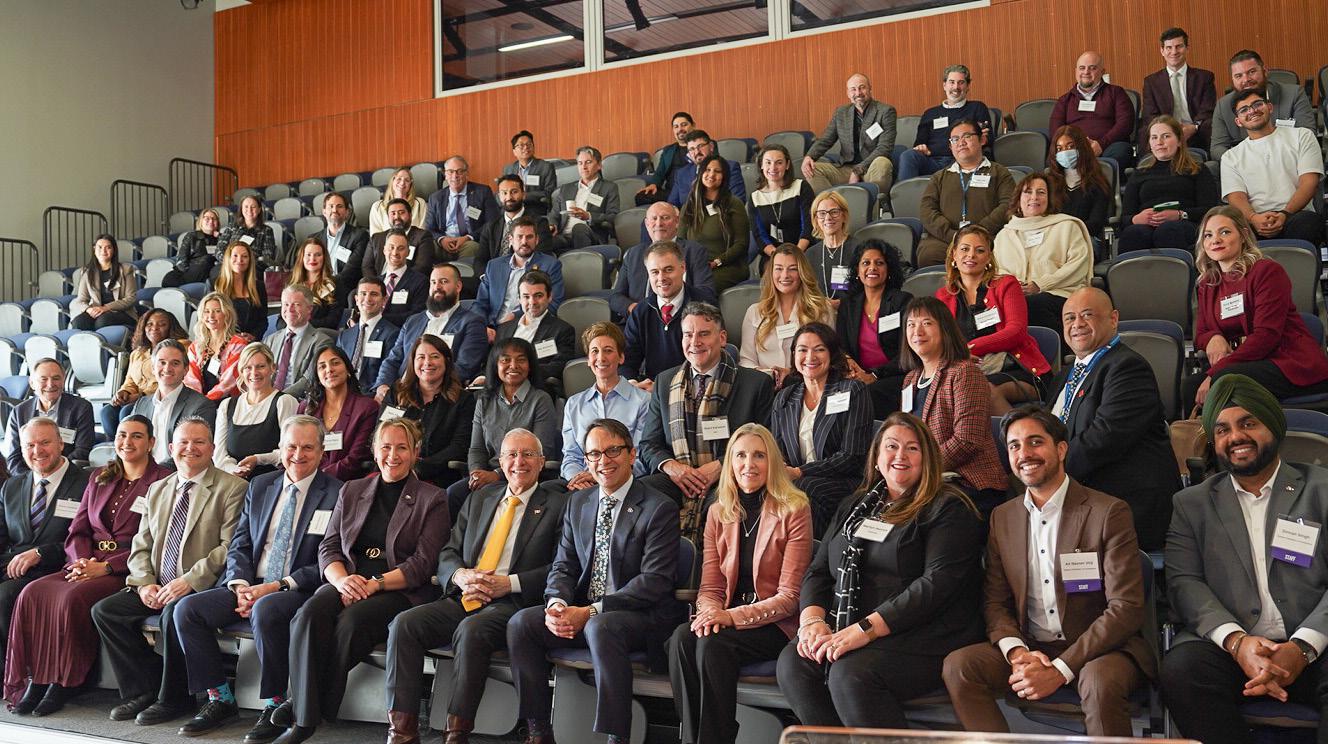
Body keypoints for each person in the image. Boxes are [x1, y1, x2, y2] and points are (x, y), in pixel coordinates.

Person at [943, 404, 1155, 737]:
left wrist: (1059, 669)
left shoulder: (1107, 512)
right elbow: (996, 602)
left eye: (1035, 442)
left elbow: (1125, 608)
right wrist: (1017, 653)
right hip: (1032, 647)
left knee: (1098, 682)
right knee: (960, 667)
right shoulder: (1003, 517)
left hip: (1101, 649)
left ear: (1061, 449)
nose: (1024, 454)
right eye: (1014, 446)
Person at [777, 412, 984, 728]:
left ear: (927, 459)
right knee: (795, 663)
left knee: (850, 674)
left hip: (922, 633)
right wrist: (812, 622)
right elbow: (819, 571)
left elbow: (935, 585)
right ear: (876, 457)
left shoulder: (949, 507)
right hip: (853, 626)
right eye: (891, 446)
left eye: (912, 448)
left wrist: (864, 630)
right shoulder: (855, 505)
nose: (901, 456)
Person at [1162, 374, 1328, 744]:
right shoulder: (1191, 504)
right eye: (1222, 429)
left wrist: (1302, 647)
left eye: (1248, 423)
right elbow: (1184, 583)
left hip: (1317, 644)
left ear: (1273, 426)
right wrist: (1237, 643)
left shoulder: (1322, 489)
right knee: (1182, 671)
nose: (1236, 436)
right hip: (1230, 648)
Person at [383, 428, 569, 744]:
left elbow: (561, 566)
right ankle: (402, 733)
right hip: (465, 595)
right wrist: (460, 575)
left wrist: (508, 584)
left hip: (513, 602)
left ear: (541, 462)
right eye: (511, 455)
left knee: (472, 631)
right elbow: (448, 551)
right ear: (500, 461)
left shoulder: (560, 505)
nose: (519, 462)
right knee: (404, 625)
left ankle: (456, 734)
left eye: (528, 455)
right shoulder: (480, 498)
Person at [508, 418, 681, 744]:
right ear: (586, 460)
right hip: (583, 613)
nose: (603, 461)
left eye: (612, 451)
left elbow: (654, 582)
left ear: (632, 454)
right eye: (594, 454)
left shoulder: (659, 507)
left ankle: (617, 737)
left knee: (601, 626)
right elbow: (564, 565)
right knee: (522, 624)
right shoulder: (578, 502)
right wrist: (557, 604)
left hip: (640, 617)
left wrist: (590, 611)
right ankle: (537, 731)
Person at [276, 418, 448, 744]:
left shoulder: (433, 498)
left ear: (415, 452)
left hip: (397, 588)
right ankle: (305, 706)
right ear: (374, 450)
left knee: (351, 622)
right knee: (308, 614)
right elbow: (329, 547)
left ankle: (303, 716)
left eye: (401, 448)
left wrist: (373, 584)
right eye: (386, 447)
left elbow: (422, 565)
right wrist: (342, 581)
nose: (392, 456)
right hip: (348, 579)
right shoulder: (352, 490)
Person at [170, 416, 342, 739]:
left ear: (322, 452)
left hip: (296, 587)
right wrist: (240, 585)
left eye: (308, 447)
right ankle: (220, 698)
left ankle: (275, 704)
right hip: (250, 583)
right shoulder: (261, 486)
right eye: (291, 446)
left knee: (267, 609)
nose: (298, 455)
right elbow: (241, 543)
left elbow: (328, 558)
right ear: (280, 448)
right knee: (187, 611)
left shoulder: (337, 493)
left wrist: (276, 586)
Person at [3, 416, 165, 716]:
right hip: (86, 561)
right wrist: (80, 560)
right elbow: (78, 529)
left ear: (151, 442)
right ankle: (37, 679)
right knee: (32, 593)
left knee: (70, 598)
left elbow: (157, 540)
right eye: (122, 435)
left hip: (128, 567)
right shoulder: (100, 476)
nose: (127, 442)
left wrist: (106, 567)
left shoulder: (163, 480)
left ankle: (64, 681)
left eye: (137, 436)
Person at [90, 416, 246, 725]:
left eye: (199, 442)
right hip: (158, 583)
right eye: (183, 442)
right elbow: (141, 544)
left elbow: (229, 548)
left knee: (174, 613)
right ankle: (145, 688)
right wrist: (144, 583)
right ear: (171, 448)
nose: (191, 448)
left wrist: (188, 581)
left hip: (201, 586)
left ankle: (174, 699)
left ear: (212, 448)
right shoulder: (157, 489)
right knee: (106, 612)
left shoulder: (233, 488)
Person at [667, 423, 813, 744]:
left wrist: (728, 617)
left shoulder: (795, 508)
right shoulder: (718, 512)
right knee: (681, 638)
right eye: (741, 455)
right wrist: (711, 612)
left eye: (759, 455)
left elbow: (789, 597)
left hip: (776, 624)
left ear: (772, 462)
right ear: (730, 463)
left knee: (712, 644)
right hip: (728, 618)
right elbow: (710, 587)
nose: (749, 464)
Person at [1045, 288, 1178, 551]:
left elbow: (1104, 438)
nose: (1077, 324)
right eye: (1070, 318)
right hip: (1078, 500)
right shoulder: (1064, 376)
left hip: (1124, 507)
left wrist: (1047, 473)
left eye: (1087, 315)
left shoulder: (1127, 367)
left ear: (1113, 319)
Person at [638, 303, 774, 543]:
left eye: (703, 334)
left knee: (724, 506)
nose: (695, 342)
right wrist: (673, 468)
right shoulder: (664, 381)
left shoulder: (756, 384)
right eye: (688, 335)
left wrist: (720, 467)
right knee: (639, 495)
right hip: (677, 479)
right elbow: (649, 444)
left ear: (722, 338)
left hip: (730, 477)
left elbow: (767, 444)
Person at [1186, 206, 1328, 409]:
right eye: (1208, 235)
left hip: (1286, 362)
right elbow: (1201, 333)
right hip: (1243, 364)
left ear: (1243, 235)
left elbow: (1266, 336)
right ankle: (1204, 432)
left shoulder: (1266, 272)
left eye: (1224, 232)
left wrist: (1216, 371)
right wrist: (1213, 337)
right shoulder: (1208, 283)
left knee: (1223, 381)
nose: (1215, 240)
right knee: (1190, 387)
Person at [0, 418, 92, 680]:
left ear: (61, 444)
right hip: (14, 566)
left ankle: (13, 675)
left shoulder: (87, 483)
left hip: (58, 567)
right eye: (29, 445)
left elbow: (89, 538)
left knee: (4, 596)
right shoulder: (12, 486)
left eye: (44, 443)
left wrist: (41, 553)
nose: (37, 451)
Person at [899, 297, 1007, 512]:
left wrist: (922, 468)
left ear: (945, 329)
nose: (917, 331)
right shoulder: (910, 379)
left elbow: (967, 441)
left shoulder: (964, 372)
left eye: (927, 323)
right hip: (926, 482)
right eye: (911, 324)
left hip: (968, 484)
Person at [936, 225, 1051, 414]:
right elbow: (941, 341)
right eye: (965, 249)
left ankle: (1014, 433)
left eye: (980, 250)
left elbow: (1016, 332)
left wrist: (968, 349)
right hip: (966, 370)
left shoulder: (1006, 285)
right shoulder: (944, 296)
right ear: (954, 255)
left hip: (1017, 369)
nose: (971, 255)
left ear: (989, 257)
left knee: (979, 389)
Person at [770, 323, 873, 532]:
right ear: (794, 355)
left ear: (831, 354)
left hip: (843, 481)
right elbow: (777, 451)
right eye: (802, 350)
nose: (810, 357)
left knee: (802, 489)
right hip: (797, 482)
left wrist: (800, 472)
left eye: (819, 349)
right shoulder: (785, 397)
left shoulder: (853, 390)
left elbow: (852, 456)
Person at [451, 338, 560, 518]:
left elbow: (542, 452)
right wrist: (476, 474)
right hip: (487, 476)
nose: (513, 365)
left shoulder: (541, 400)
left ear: (530, 366)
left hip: (522, 475)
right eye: (505, 360)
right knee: (453, 495)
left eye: (521, 360)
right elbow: (477, 448)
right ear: (496, 365)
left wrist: (496, 475)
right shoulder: (484, 400)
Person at [1220, 87, 1326, 245]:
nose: (1252, 111)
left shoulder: (1302, 136)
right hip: (1254, 221)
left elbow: (1309, 183)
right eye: (1244, 110)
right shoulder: (1230, 157)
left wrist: (1285, 214)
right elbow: (1236, 197)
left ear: (1269, 107)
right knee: (1233, 234)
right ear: (1238, 121)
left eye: (1257, 104)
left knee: (1309, 223)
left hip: (1296, 215)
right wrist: (1254, 218)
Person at [992, 171, 1094, 333]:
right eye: (1028, 192)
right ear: (1018, 199)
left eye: (1041, 192)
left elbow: (1077, 266)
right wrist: (1014, 286)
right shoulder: (1004, 235)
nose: (1034, 197)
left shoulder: (1067, 226)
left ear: (1049, 199)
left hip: (1061, 294)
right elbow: (997, 271)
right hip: (1014, 297)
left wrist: (1040, 285)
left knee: (1032, 305)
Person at [380, 334, 477, 489]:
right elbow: (380, 434)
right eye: (421, 357)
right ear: (413, 362)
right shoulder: (396, 392)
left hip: (437, 476)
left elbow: (459, 446)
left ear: (447, 361)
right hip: (391, 469)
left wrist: (419, 468)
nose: (427, 362)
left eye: (434, 356)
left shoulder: (463, 400)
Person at [561, 322, 651, 489]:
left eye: (608, 351)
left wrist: (600, 477)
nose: (601, 358)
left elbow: (641, 458)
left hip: (628, 486)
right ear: (588, 360)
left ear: (621, 357)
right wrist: (578, 479)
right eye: (595, 351)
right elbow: (571, 457)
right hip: (583, 488)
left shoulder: (643, 401)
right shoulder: (573, 405)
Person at [374, 262, 489, 392]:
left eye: (443, 282)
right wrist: (383, 385)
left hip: (440, 392)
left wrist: (424, 385)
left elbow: (465, 367)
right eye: (433, 282)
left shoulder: (472, 322)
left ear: (458, 286)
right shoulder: (413, 321)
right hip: (401, 390)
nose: (437, 287)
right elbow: (393, 360)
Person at [916, 119, 1016, 267]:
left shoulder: (1000, 173)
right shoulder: (939, 177)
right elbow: (927, 210)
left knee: (1002, 253)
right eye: (955, 139)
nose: (961, 142)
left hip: (987, 238)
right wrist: (952, 235)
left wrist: (979, 232)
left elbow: (1008, 204)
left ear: (982, 140)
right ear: (950, 146)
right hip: (947, 241)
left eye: (967, 136)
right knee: (928, 255)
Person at [1118, 115, 1221, 253]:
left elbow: (1209, 210)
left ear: (1179, 141)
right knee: (1134, 233)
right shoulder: (1139, 173)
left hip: (1185, 223)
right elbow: (1125, 218)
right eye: (1154, 137)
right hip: (1145, 226)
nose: (1159, 142)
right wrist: (1136, 219)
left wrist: (1180, 214)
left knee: (1168, 230)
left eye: (1166, 136)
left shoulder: (1197, 170)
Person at [835, 239, 912, 419]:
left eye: (879, 263)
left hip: (895, 376)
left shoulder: (902, 301)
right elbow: (841, 345)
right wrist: (851, 366)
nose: (872, 268)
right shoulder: (848, 304)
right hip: (858, 375)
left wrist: (874, 375)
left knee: (867, 395)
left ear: (888, 269)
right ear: (857, 270)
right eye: (866, 263)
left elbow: (908, 351)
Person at [623, 242, 718, 386]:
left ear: (683, 268)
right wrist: (633, 384)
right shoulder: (640, 312)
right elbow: (627, 360)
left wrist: (668, 389)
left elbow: (711, 361)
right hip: (651, 389)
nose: (661, 278)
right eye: (655, 272)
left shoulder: (706, 305)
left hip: (695, 388)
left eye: (668, 270)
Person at [739, 245, 834, 388]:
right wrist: (765, 375)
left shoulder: (821, 309)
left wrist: (791, 374)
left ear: (802, 272)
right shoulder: (754, 312)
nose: (785, 275)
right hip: (766, 388)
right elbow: (746, 360)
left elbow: (831, 356)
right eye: (778, 268)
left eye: (792, 269)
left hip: (808, 386)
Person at [610, 201, 714, 321]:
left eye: (665, 218)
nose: (659, 223)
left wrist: (676, 308)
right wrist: (634, 308)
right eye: (654, 218)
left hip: (681, 319)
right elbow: (616, 297)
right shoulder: (633, 254)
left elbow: (706, 292)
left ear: (677, 221)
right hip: (639, 320)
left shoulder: (694, 251)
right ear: (647, 224)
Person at [213, 343, 300, 479]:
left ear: (272, 368)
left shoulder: (285, 402)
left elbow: (291, 450)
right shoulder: (227, 405)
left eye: (261, 366)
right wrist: (235, 469)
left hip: (272, 482)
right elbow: (218, 455)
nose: (254, 373)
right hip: (233, 482)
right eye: (248, 367)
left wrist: (258, 459)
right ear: (241, 371)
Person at [1210, 49, 1316, 160]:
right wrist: (1245, 162)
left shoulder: (1294, 94)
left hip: (1289, 160)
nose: (1246, 80)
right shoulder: (1223, 105)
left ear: (1265, 71)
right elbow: (1217, 148)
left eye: (1251, 72)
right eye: (1238, 76)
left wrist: (1270, 159)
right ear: (1232, 79)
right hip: (1246, 165)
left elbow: (1308, 134)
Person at [802, 73, 897, 195]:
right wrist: (809, 156)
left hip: (872, 167)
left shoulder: (885, 111)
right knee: (812, 169)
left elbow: (885, 148)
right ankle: (833, 204)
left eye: (862, 87)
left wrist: (858, 170)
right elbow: (825, 140)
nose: (858, 93)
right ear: (848, 93)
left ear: (870, 88)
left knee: (883, 162)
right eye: (853, 89)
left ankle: (876, 204)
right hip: (846, 168)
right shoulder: (841, 112)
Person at [129, 339, 219, 467]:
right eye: (162, 362)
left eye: (175, 363)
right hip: (143, 472)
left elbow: (193, 454)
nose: (167, 368)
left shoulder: (201, 406)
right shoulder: (141, 404)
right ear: (153, 368)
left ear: (186, 370)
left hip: (180, 474)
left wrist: (155, 473)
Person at [898, 64, 994, 182]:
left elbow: (988, 139)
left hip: (963, 159)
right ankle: (906, 192)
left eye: (961, 82)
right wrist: (922, 148)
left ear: (968, 86)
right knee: (908, 156)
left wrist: (977, 137)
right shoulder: (930, 113)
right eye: (952, 82)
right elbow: (919, 143)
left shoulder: (977, 108)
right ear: (944, 85)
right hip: (933, 161)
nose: (956, 87)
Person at [101, 308, 188, 437]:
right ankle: (119, 447)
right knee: (107, 412)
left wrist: (141, 396)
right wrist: (124, 393)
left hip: (163, 397)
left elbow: (176, 379)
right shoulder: (137, 353)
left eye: (162, 324)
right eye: (149, 324)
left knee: (127, 412)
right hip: (137, 398)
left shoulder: (180, 347)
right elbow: (130, 381)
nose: (155, 328)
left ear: (171, 327)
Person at [472, 217, 565, 337]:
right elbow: (480, 303)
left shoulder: (550, 265)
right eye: (519, 237)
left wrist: (515, 316)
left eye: (529, 237)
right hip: (491, 328)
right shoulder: (494, 265)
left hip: (527, 326)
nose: (524, 242)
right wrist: (481, 326)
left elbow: (554, 303)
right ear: (510, 240)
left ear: (537, 240)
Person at [299, 345, 379, 482]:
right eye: (322, 366)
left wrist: (320, 479)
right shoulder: (305, 408)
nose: (329, 369)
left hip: (346, 484)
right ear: (317, 376)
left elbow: (356, 457)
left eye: (335, 363)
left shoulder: (367, 408)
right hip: (306, 480)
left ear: (348, 369)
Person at [2, 359, 95, 477]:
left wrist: (54, 475)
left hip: (67, 476)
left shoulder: (81, 407)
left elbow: (82, 451)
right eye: (43, 379)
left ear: (63, 381)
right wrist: (31, 479)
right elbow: (13, 458)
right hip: (28, 477)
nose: (50, 384)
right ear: (32, 383)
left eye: (56, 378)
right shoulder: (19, 412)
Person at [1048, 52, 1137, 166]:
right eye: (1082, 68)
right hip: (1073, 149)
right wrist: (1073, 147)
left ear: (1102, 72)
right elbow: (1056, 130)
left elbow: (1125, 124)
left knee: (1121, 150)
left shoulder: (1116, 93)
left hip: (1107, 148)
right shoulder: (1065, 100)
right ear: (1076, 71)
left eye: (1092, 68)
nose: (1086, 72)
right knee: (1053, 158)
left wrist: (1101, 145)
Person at [494, 270, 576, 390]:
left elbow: (558, 366)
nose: (532, 302)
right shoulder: (504, 329)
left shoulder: (562, 330)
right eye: (526, 297)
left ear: (549, 297)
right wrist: (482, 376)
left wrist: (521, 372)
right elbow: (492, 361)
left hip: (535, 388)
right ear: (519, 299)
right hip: (499, 388)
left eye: (538, 296)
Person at [679, 154, 750, 292]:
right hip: (695, 266)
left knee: (701, 286)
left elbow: (741, 244)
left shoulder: (734, 204)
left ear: (724, 177)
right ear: (701, 173)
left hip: (727, 266)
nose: (711, 174)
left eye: (717, 171)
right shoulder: (690, 205)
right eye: (707, 170)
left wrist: (716, 262)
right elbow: (680, 242)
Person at [1139, 27, 1217, 151]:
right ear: (1162, 51)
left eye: (1179, 46)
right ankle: (1150, 163)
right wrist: (1168, 131)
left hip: (1196, 131)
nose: (1174, 52)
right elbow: (1150, 114)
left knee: (1210, 125)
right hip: (1165, 132)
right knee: (1144, 131)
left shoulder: (1204, 77)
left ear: (1187, 48)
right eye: (1169, 47)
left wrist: (1194, 127)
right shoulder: (1151, 82)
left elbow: (1207, 110)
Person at [262, 285, 336, 400]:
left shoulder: (321, 341)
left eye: (296, 305)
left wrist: (278, 399)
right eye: (286, 304)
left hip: (298, 402)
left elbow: (309, 379)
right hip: (267, 398)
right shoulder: (270, 340)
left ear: (309, 309)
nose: (290, 309)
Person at [747, 144, 815, 263]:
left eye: (779, 163)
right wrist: (777, 257)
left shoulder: (800, 187)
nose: (773, 168)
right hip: (773, 255)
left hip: (804, 251)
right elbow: (760, 236)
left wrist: (795, 254)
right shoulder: (755, 198)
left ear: (787, 165)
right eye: (768, 162)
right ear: (761, 165)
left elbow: (808, 227)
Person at [1047, 125, 1113, 247]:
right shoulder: (1049, 182)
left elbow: (1096, 223)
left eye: (1070, 146)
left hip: (1084, 238)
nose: (1065, 152)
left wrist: (1068, 232)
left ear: (1081, 147)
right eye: (1059, 149)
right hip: (1052, 238)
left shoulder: (1098, 183)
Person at [425, 156, 499, 261]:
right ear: (445, 174)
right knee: (427, 247)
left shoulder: (482, 192)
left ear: (466, 173)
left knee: (471, 248)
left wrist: (468, 237)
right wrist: (442, 239)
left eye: (459, 171)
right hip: (445, 242)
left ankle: (462, 271)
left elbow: (492, 222)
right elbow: (429, 228)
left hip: (469, 241)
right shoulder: (435, 198)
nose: (455, 176)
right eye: (450, 172)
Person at [184, 292, 252, 401]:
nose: (211, 316)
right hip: (200, 403)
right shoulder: (195, 347)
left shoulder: (238, 344)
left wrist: (205, 402)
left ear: (227, 314)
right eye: (207, 311)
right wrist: (197, 403)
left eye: (217, 311)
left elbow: (229, 383)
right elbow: (191, 381)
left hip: (229, 402)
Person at [337, 276, 401, 392]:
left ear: (384, 300)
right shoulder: (344, 335)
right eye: (363, 294)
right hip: (343, 392)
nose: (368, 299)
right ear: (356, 299)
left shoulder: (393, 334)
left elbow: (389, 371)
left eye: (374, 294)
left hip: (371, 394)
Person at [550, 145, 620, 252]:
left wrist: (588, 216)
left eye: (588, 162)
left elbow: (613, 216)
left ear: (599, 165)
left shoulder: (609, 187)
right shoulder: (566, 189)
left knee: (579, 228)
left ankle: (583, 261)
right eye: (580, 163)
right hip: (564, 236)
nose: (584, 167)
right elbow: (554, 215)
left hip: (592, 234)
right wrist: (552, 225)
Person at [478, 174, 553, 265]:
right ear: (499, 196)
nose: (509, 197)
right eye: (504, 193)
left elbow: (542, 258)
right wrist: (489, 273)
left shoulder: (539, 224)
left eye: (514, 192)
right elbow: (480, 261)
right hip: (494, 272)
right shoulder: (490, 226)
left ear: (523, 194)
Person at [71, 234, 139, 331]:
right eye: (100, 247)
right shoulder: (87, 272)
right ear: (94, 249)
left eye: (108, 247)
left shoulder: (125, 270)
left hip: (122, 312)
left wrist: (106, 308)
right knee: (79, 322)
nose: (103, 251)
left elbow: (131, 298)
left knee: (102, 321)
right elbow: (81, 300)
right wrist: (89, 309)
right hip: (97, 311)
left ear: (114, 250)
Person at [315, 192, 370, 309]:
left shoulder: (359, 236)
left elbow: (350, 272)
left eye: (339, 206)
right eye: (331, 206)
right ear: (324, 212)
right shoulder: (314, 239)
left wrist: (325, 290)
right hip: (318, 288)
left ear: (347, 212)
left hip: (344, 290)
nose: (334, 210)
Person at [667, 130, 748, 208]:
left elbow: (738, 201)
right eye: (692, 149)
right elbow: (672, 204)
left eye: (700, 146)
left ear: (711, 146)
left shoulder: (730, 167)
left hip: (721, 215)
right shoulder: (682, 173)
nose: (697, 152)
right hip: (688, 216)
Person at [362, 201, 437, 283]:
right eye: (393, 213)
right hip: (378, 284)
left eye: (401, 213)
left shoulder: (422, 236)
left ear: (410, 215)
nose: (397, 217)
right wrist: (376, 284)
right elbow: (367, 267)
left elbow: (422, 267)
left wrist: (398, 282)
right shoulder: (377, 238)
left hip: (408, 284)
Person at [210, 240, 270, 340]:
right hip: (222, 340)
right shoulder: (214, 285)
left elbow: (262, 321)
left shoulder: (259, 286)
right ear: (228, 259)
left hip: (250, 343)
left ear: (250, 260)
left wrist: (253, 336)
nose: (239, 260)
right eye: (235, 256)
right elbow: (207, 318)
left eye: (244, 256)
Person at [371, 228, 430, 328]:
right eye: (391, 247)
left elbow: (417, 316)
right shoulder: (376, 282)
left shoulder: (420, 282)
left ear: (408, 252)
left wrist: (379, 319)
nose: (395, 253)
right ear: (384, 250)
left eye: (400, 248)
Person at [804, 191, 855, 305]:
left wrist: (841, 304)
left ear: (844, 216)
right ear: (816, 219)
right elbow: (807, 292)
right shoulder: (810, 254)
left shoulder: (859, 250)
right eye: (822, 213)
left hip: (853, 311)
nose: (828, 217)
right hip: (820, 312)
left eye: (834, 212)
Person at [637, 112, 694, 204]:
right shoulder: (668, 150)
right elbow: (660, 172)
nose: (680, 129)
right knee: (641, 196)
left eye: (684, 125)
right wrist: (653, 184)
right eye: (676, 127)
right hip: (670, 192)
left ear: (693, 126)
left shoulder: (703, 146)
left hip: (692, 190)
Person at [286, 238, 341, 329]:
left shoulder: (334, 284)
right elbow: (281, 320)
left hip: (321, 334)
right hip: (294, 333)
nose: (312, 259)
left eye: (318, 255)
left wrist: (301, 324)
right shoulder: (292, 283)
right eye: (308, 255)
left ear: (324, 258)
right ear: (302, 258)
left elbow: (332, 321)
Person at [502, 130, 558, 218]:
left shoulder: (545, 167)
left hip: (534, 210)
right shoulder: (508, 169)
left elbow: (549, 192)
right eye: (521, 145)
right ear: (514, 151)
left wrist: (524, 196)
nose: (526, 147)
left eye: (529, 144)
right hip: (513, 210)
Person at [217, 195, 279, 270]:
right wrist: (232, 263)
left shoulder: (267, 230)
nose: (249, 210)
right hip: (228, 266)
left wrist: (244, 264)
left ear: (259, 210)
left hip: (253, 268)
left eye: (253, 207)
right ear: (241, 209)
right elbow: (219, 250)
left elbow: (267, 257)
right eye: (246, 207)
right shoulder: (231, 227)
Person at [162, 209, 221, 288]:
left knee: (207, 260)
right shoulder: (191, 236)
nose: (211, 221)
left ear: (218, 223)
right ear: (201, 221)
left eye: (214, 219)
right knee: (168, 280)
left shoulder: (221, 239)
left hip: (206, 273)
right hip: (186, 273)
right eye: (207, 218)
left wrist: (220, 236)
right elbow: (182, 259)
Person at [369, 167, 428, 236]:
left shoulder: (420, 203)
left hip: (415, 242)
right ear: (392, 181)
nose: (402, 183)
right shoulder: (377, 207)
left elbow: (423, 232)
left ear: (410, 185)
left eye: (407, 180)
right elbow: (375, 237)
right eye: (399, 179)